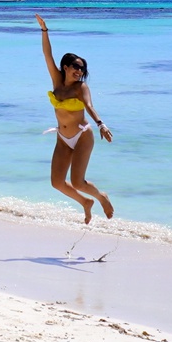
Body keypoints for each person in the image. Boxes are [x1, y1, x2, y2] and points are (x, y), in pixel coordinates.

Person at [35, 14, 114, 225]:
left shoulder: (81, 88)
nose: (80, 71)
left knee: (78, 181)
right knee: (57, 183)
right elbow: (47, 55)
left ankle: (101, 197)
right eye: (76, 67)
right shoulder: (57, 82)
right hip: (62, 138)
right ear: (66, 67)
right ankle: (85, 203)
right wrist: (44, 30)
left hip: (82, 136)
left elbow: (89, 106)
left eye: (82, 69)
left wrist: (101, 124)